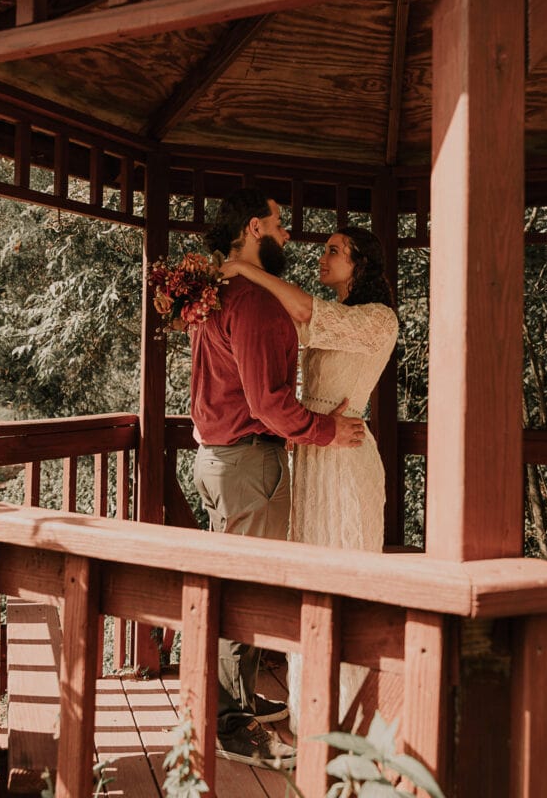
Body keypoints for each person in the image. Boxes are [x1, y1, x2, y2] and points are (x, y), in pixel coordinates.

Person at [190, 188, 365, 768]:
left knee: (228, 584)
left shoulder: (213, 294)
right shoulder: (256, 305)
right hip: (248, 463)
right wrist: (326, 431)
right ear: (254, 229)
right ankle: (227, 725)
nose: (290, 235)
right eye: (280, 223)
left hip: (215, 462)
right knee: (242, 595)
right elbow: (268, 404)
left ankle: (234, 700)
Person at [221, 224, 398, 728]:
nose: (323, 257)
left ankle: (350, 713)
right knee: (309, 583)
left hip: (347, 459)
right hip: (313, 452)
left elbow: (302, 312)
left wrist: (244, 269)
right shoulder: (333, 316)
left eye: (334, 251)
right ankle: (311, 707)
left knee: (346, 579)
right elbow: (275, 329)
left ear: (360, 263)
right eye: (325, 249)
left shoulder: (377, 320)